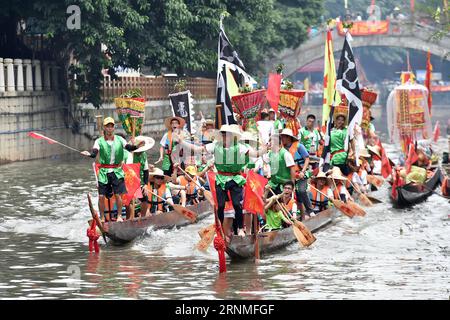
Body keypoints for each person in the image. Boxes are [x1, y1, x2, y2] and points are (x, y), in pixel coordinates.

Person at [174, 124, 266, 238]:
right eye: (223, 134)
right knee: (221, 206)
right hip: (221, 179)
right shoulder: (215, 146)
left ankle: (241, 228)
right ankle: (221, 230)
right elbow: (198, 149)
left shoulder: (240, 147)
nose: (225, 137)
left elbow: (255, 154)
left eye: (227, 135)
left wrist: (265, 148)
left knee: (237, 205)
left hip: (236, 179)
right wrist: (182, 142)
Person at [81, 117, 143, 222]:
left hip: (117, 171)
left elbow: (129, 148)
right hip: (104, 172)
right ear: (104, 128)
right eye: (107, 126)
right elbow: (94, 153)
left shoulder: (120, 139)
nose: (110, 128)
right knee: (101, 196)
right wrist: (88, 154)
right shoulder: (98, 141)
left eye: (111, 126)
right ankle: (102, 218)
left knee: (118, 195)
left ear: (114, 128)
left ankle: (119, 216)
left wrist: (137, 146)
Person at [280, 128, 314, 216]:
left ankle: (310, 211)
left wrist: (303, 171)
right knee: (293, 196)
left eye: (284, 137)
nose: (282, 139)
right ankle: (296, 217)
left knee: (301, 191)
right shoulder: (281, 149)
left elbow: (307, 159)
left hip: (300, 174)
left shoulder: (299, 146)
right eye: (282, 137)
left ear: (289, 138)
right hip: (289, 175)